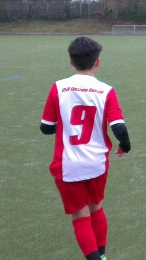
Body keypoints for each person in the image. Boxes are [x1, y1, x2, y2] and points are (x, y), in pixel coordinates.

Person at [40, 36, 131, 260]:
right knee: (97, 207)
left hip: (68, 164)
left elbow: (46, 128)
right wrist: (125, 146)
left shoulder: (58, 88)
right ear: (97, 62)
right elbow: (118, 126)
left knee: (80, 216)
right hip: (97, 163)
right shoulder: (106, 90)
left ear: (71, 62)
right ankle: (102, 255)